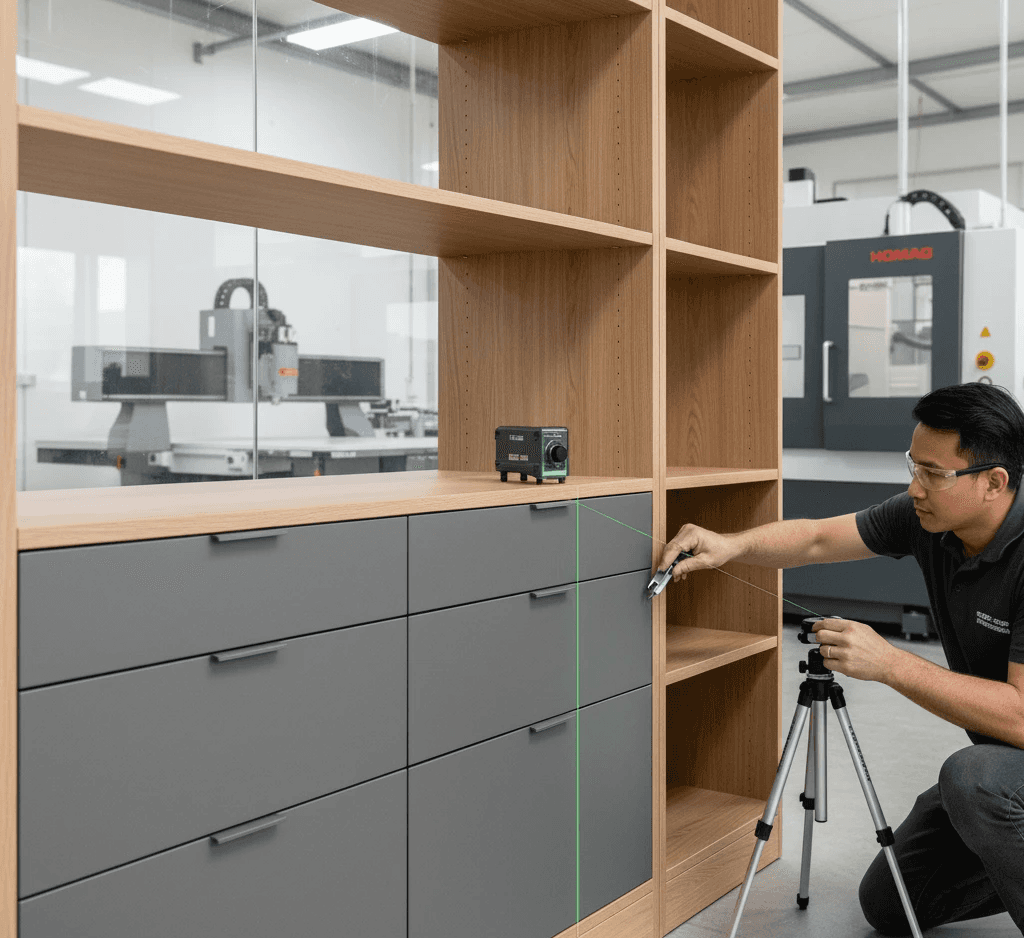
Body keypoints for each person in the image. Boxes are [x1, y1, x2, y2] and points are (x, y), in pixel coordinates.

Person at [657, 382, 1024, 936]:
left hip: (1009, 756)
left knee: (975, 778)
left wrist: (890, 663)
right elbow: (816, 540)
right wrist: (729, 545)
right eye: (913, 466)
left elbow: (1021, 717)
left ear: (995, 482)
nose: (915, 487)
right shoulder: (931, 520)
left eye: (933, 473)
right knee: (892, 903)